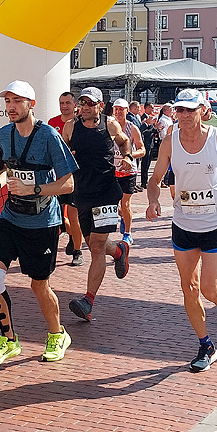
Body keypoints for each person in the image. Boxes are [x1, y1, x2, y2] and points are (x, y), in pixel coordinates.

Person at [146, 89, 217, 372]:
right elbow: (155, 178)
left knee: (208, 288)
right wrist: (154, 199)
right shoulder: (170, 141)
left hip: (215, 224)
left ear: (203, 110)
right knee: (188, 288)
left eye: (189, 110)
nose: (183, 115)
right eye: (179, 110)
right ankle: (205, 345)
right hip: (183, 223)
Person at [0, 81, 79, 365]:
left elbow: (68, 184)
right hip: (10, 217)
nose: (11, 107)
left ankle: (57, 333)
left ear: (31, 104)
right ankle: (8, 340)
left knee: (39, 286)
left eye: (17, 101)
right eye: (7, 101)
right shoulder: (3, 134)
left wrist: (35, 189)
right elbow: (6, 169)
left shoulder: (49, 135)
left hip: (42, 222)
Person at [62, 87, 133, 322]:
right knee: (92, 242)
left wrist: (127, 157)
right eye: (82, 103)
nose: (86, 107)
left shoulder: (110, 124)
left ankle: (88, 301)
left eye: (91, 103)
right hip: (83, 193)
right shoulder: (71, 126)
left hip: (106, 192)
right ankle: (119, 250)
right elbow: (62, 153)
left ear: (100, 106)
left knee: (96, 246)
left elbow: (124, 143)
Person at [49, 91, 84, 266]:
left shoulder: (79, 124)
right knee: (59, 218)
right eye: (61, 102)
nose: (64, 106)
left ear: (75, 105)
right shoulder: (51, 124)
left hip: (73, 178)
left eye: (67, 103)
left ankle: (78, 251)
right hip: (54, 178)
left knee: (73, 215)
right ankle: (69, 237)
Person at [112, 98, 146, 245]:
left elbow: (142, 149)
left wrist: (129, 156)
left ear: (127, 111)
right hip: (111, 170)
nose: (119, 112)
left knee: (125, 204)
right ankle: (124, 217)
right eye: (116, 109)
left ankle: (127, 233)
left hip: (128, 171)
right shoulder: (108, 126)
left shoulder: (132, 128)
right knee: (112, 204)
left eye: (121, 109)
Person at [140, 102, 160, 189]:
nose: (152, 110)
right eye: (151, 108)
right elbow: (144, 133)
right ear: (146, 108)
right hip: (146, 143)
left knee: (148, 163)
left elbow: (152, 130)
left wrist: (156, 128)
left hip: (151, 143)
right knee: (144, 163)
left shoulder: (150, 118)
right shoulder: (144, 118)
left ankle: (146, 180)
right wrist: (152, 128)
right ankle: (143, 182)